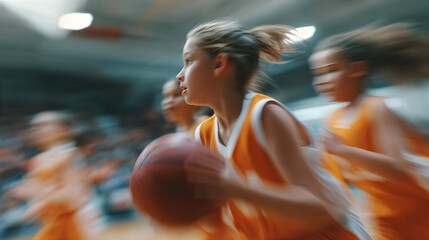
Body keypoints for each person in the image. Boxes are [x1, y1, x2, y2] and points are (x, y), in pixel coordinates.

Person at [176, 20, 369, 240]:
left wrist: (241, 190)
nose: (180, 75)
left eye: (189, 61)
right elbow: (219, 223)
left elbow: (318, 210)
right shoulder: (202, 135)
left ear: (219, 64)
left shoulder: (265, 115)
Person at [309, 23, 429, 240]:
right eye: (318, 74)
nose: (321, 81)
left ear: (358, 69)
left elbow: (396, 170)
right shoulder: (333, 119)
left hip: (422, 211)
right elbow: (332, 176)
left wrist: (344, 150)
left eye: (331, 70)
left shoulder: (377, 107)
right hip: (384, 219)